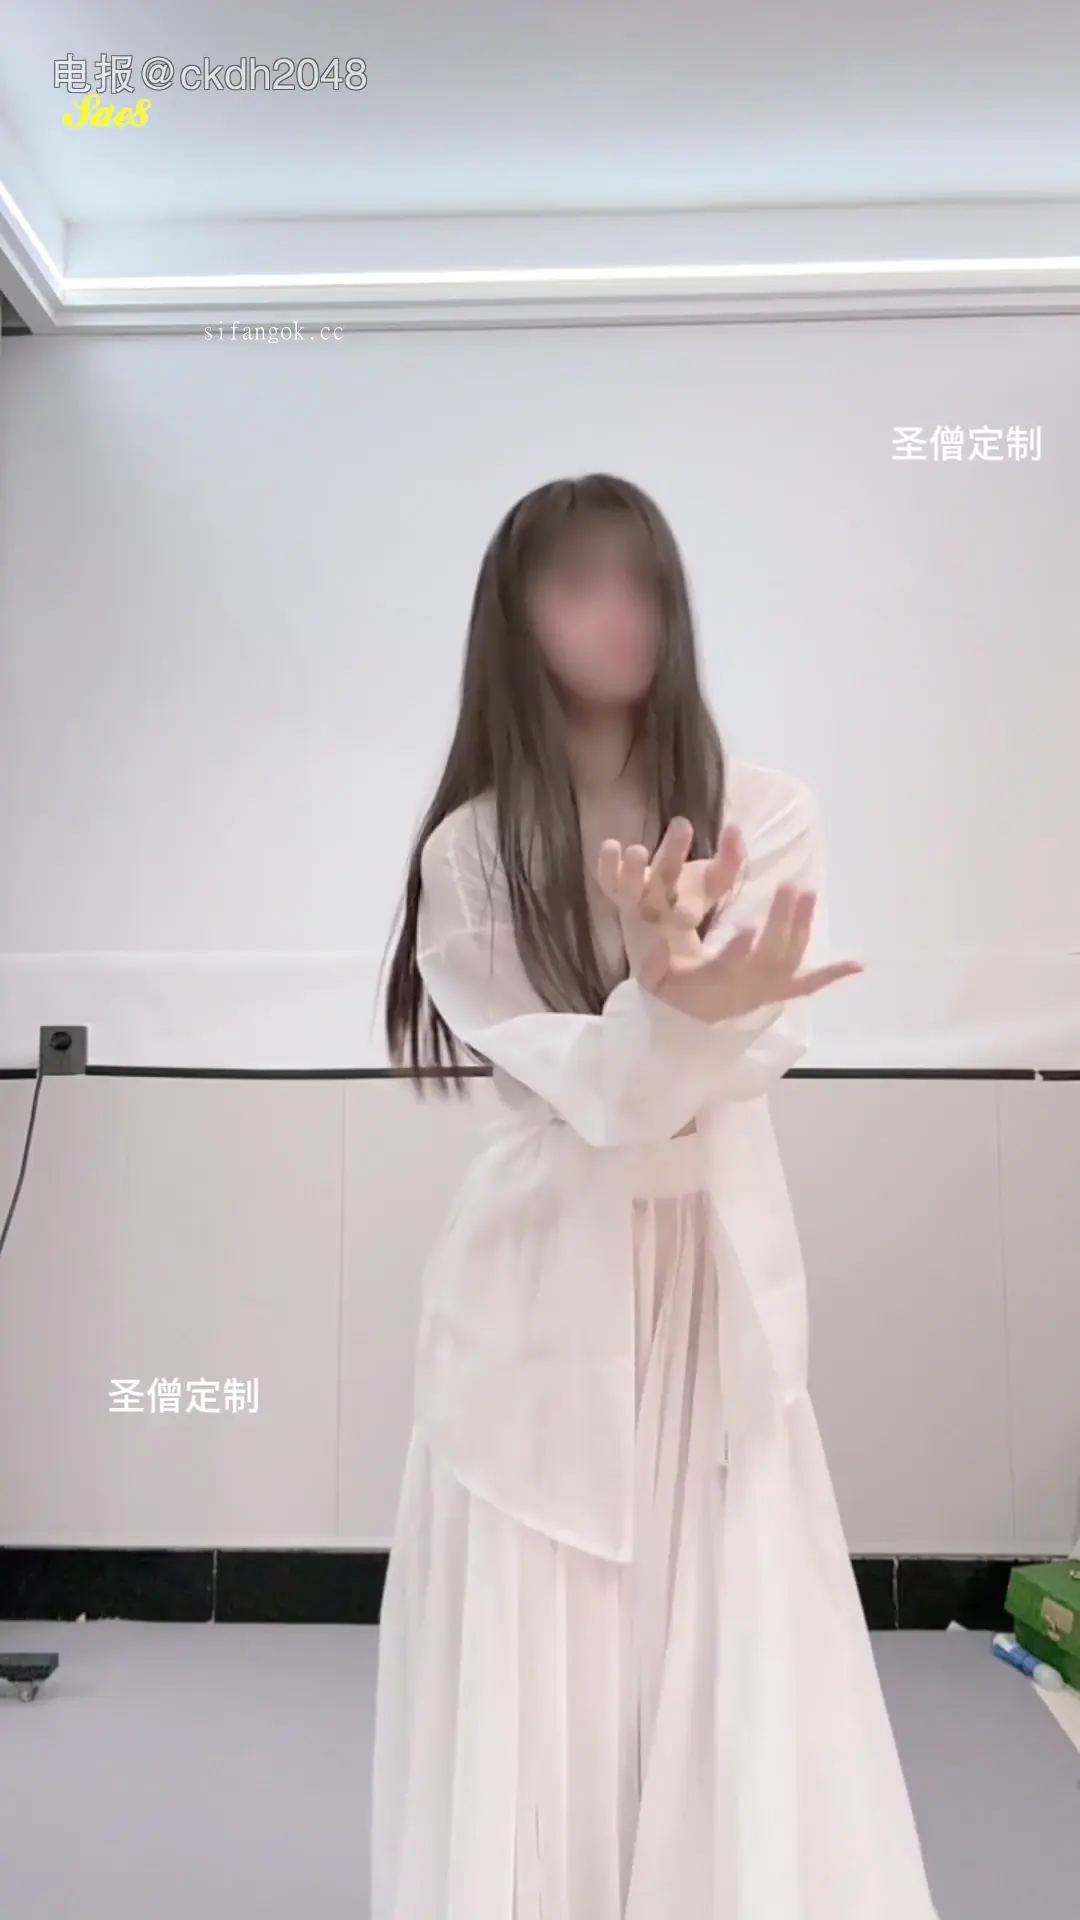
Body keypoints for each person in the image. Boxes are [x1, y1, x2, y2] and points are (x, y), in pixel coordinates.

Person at [372, 473, 940, 1919]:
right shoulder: (470, 851)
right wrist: (663, 998)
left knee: (724, 1606)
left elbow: (750, 1052)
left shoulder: (763, 813)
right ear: (513, 618)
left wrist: (688, 1001)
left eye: (642, 582)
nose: (617, 614)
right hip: (540, 1287)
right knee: (548, 1631)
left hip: (713, 1280)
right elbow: (595, 1094)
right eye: (575, 583)